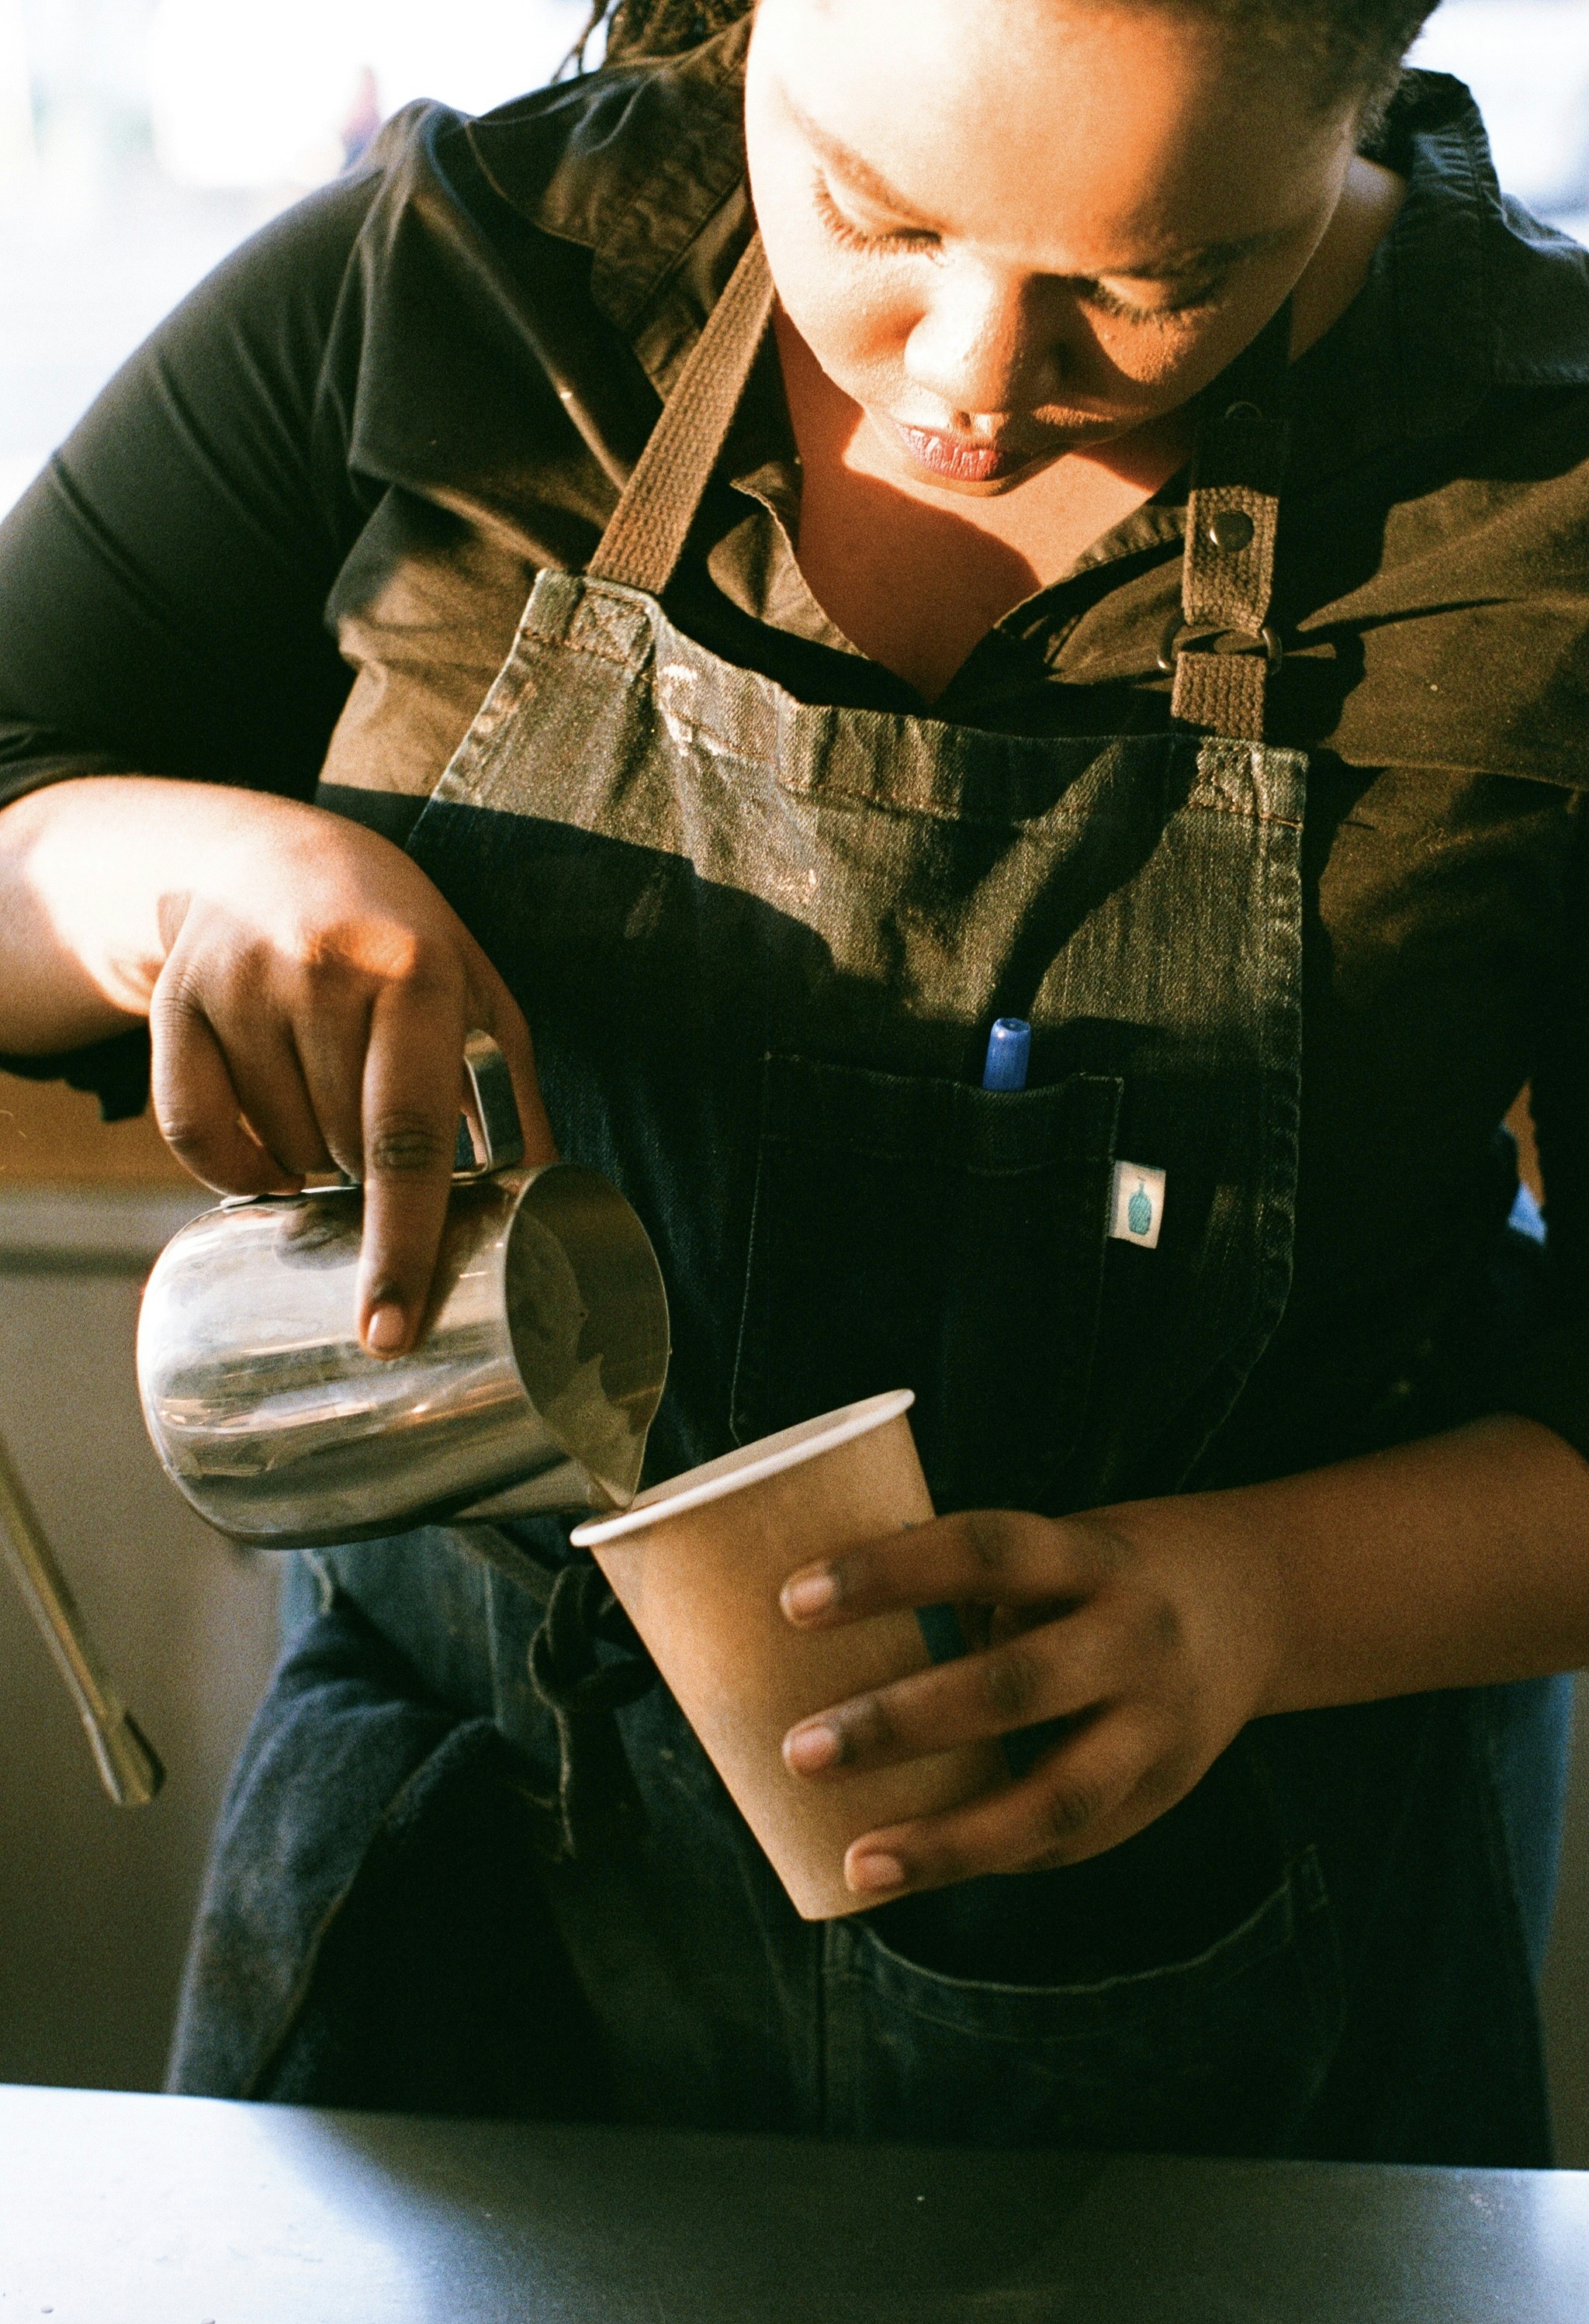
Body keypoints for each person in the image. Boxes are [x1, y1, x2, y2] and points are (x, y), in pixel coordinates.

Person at [1, 0, 1587, 2164]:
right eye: (874, 208)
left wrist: (1262, 1599)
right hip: (450, 1984)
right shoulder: (466, 280)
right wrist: (184, 875)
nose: (967, 377)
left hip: (1216, 2043)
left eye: (1154, 283)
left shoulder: (1541, 472)